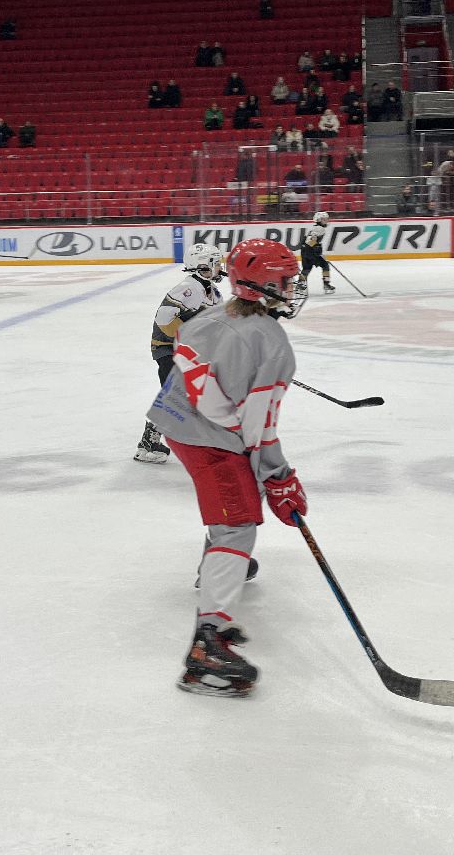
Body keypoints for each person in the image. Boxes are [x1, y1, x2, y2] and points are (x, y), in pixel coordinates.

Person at [147, 238, 307, 697]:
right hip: (208, 438)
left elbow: (184, 361)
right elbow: (258, 428)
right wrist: (279, 477)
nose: (292, 288)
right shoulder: (272, 343)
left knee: (233, 502)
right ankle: (207, 651)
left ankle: (215, 565)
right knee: (237, 522)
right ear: (264, 286)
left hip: (175, 422)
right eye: (286, 280)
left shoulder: (209, 316)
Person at [135, 243, 228, 464]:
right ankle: (148, 444)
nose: (219, 268)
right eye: (215, 264)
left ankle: (152, 442)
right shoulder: (189, 288)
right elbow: (164, 318)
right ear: (202, 266)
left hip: (186, 352)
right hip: (167, 349)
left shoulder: (214, 293)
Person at [296, 210, 336, 295]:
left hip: (305, 251)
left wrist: (315, 248)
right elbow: (310, 240)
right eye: (324, 219)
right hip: (311, 252)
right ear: (318, 220)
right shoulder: (320, 229)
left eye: (326, 219)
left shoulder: (314, 227)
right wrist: (316, 248)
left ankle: (300, 284)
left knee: (306, 268)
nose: (326, 221)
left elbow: (305, 241)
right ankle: (326, 284)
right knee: (325, 265)